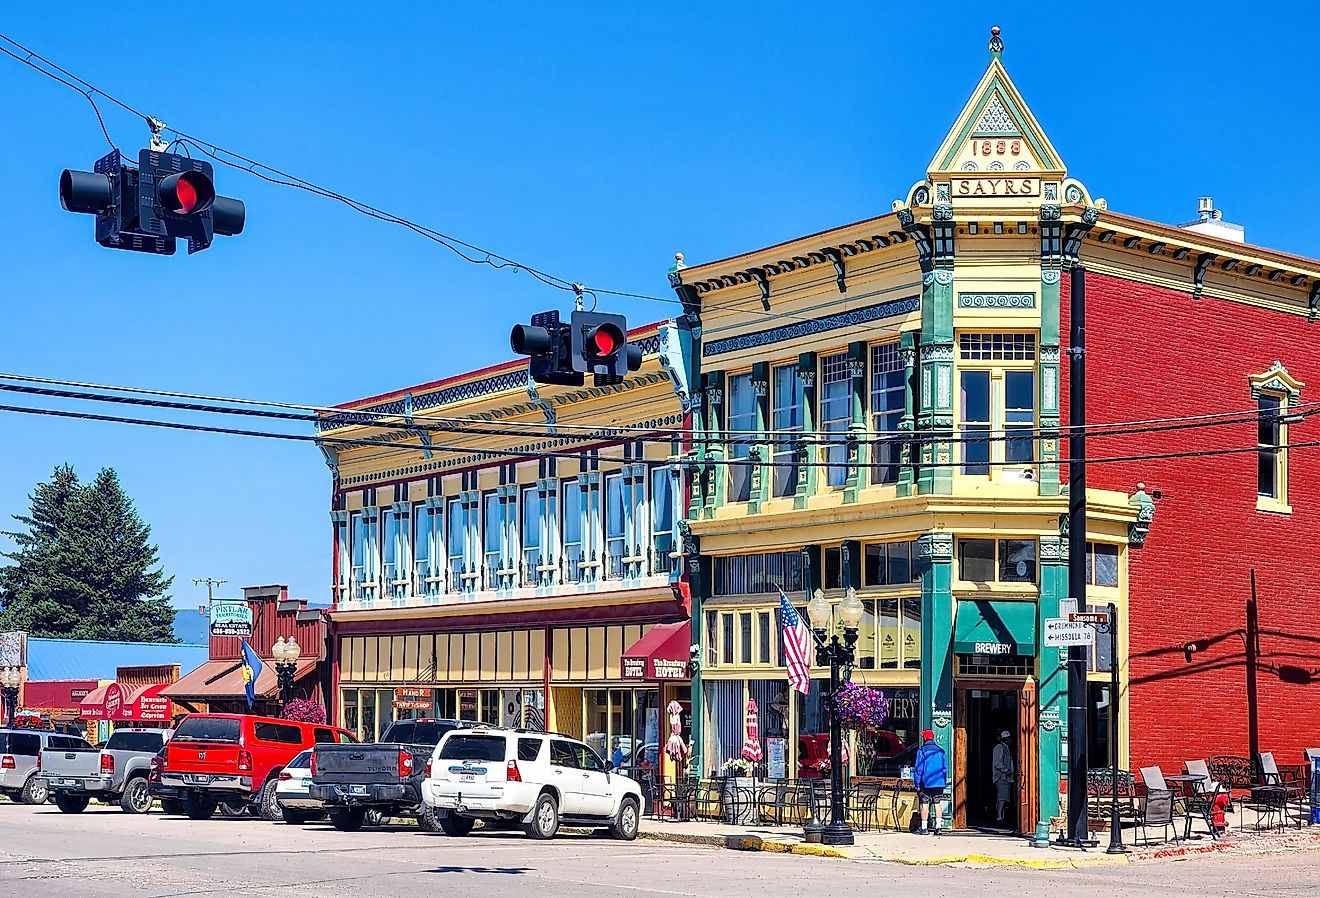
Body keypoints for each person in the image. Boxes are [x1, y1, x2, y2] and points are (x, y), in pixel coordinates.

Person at [913, 729, 948, 836]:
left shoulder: (922, 751)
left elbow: (919, 769)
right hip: (938, 781)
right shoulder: (941, 751)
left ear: (925, 738)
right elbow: (945, 768)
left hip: (926, 781)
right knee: (937, 803)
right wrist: (944, 780)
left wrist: (917, 783)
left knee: (925, 804)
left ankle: (924, 828)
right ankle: (938, 827)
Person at [992, 730, 1015, 824]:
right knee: (1002, 797)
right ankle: (999, 817)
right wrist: (1006, 770)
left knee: (1005, 798)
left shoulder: (1006, 748)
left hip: (1007, 777)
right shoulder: (999, 747)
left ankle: (1002, 816)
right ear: (1005, 739)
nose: (1011, 740)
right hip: (1002, 777)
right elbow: (997, 762)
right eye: (1009, 738)